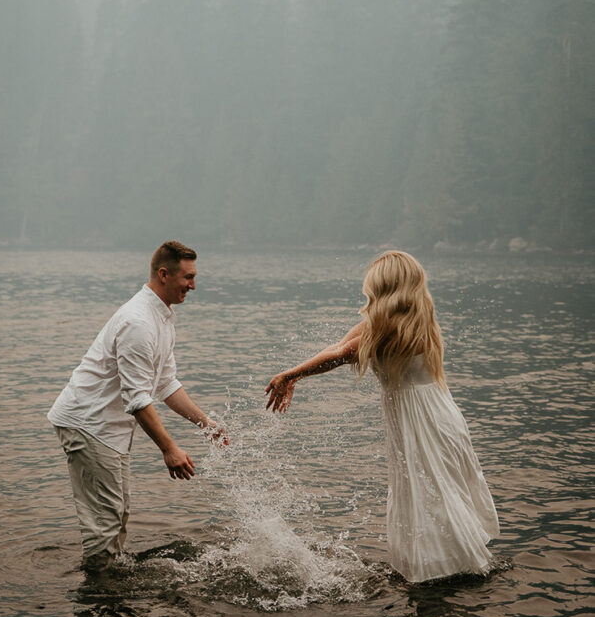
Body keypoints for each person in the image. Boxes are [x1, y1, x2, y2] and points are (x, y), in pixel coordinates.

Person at [265, 250, 499, 583]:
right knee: (434, 491)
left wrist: (289, 374)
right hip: (436, 417)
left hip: (424, 423)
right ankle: (448, 566)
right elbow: (338, 346)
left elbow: (344, 354)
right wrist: (297, 377)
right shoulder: (413, 318)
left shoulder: (391, 328)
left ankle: (445, 570)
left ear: (385, 287)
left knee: (429, 493)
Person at [48, 240, 227, 570]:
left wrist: (206, 424)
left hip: (106, 427)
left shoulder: (162, 318)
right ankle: (99, 597)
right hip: (88, 424)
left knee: (117, 514)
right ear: (163, 274)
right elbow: (138, 399)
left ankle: (109, 579)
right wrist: (169, 449)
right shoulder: (139, 323)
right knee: (106, 523)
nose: (193, 285)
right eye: (188, 277)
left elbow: (165, 384)